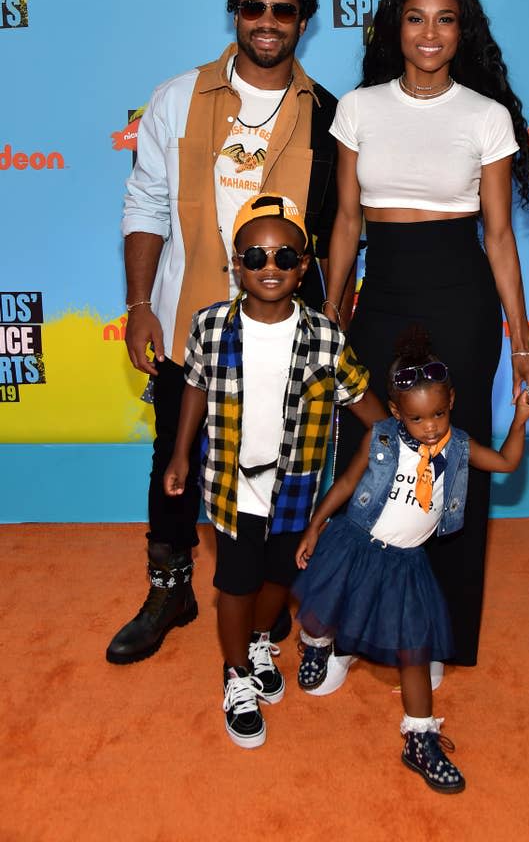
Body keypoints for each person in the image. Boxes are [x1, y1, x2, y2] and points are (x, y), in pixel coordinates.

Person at [108, 0, 348, 665]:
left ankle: (267, 588)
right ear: (234, 12)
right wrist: (139, 303)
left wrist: (336, 311)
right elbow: (146, 201)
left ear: (303, 22)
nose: (266, 23)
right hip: (190, 317)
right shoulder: (177, 98)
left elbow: (339, 229)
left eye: (282, 10)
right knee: (172, 461)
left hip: (286, 331)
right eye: (253, 7)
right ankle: (170, 588)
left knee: (277, 463)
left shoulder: (328, 114)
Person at [321, 0, 529, 668]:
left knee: (452, 471)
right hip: (381, 293)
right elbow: (346, 225)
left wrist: (523, 345)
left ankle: (438, 633)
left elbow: (500, 239)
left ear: (463, 31)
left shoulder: (486, 117)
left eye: (445, 19)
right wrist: (329, 320)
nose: (429, 32)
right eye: (415, 17)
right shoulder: (358, 108)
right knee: (366, 463)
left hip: (462, 300)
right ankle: (345, 627)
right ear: (396, 26)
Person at [162, 194, 385, 748]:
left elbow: (367, 406)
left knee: (279, 579)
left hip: (298, 488)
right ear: (235, 264)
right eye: (255, 257)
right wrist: (180, 453)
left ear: (305, 267)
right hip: (230, 484)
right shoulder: (210, 325)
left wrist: (408, 440)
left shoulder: (326, 339)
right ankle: (236, 673)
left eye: (285, 257)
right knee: (235, 583)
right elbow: (193, 387)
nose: (269, 268)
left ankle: (261, 640)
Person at [293, 328, 529, 792]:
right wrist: (315, 525)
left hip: (405, 565)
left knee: (415, 650)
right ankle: (315, 642)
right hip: (355, 545)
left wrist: (520, 420)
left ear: (451, 400)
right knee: (325, 605)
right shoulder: (380, 439)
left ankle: (419, 736)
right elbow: (349, 483)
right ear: (396, 413)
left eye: (439, 413)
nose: (431, 425)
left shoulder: (458, 447)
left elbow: (508, 464)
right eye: (417, 418)